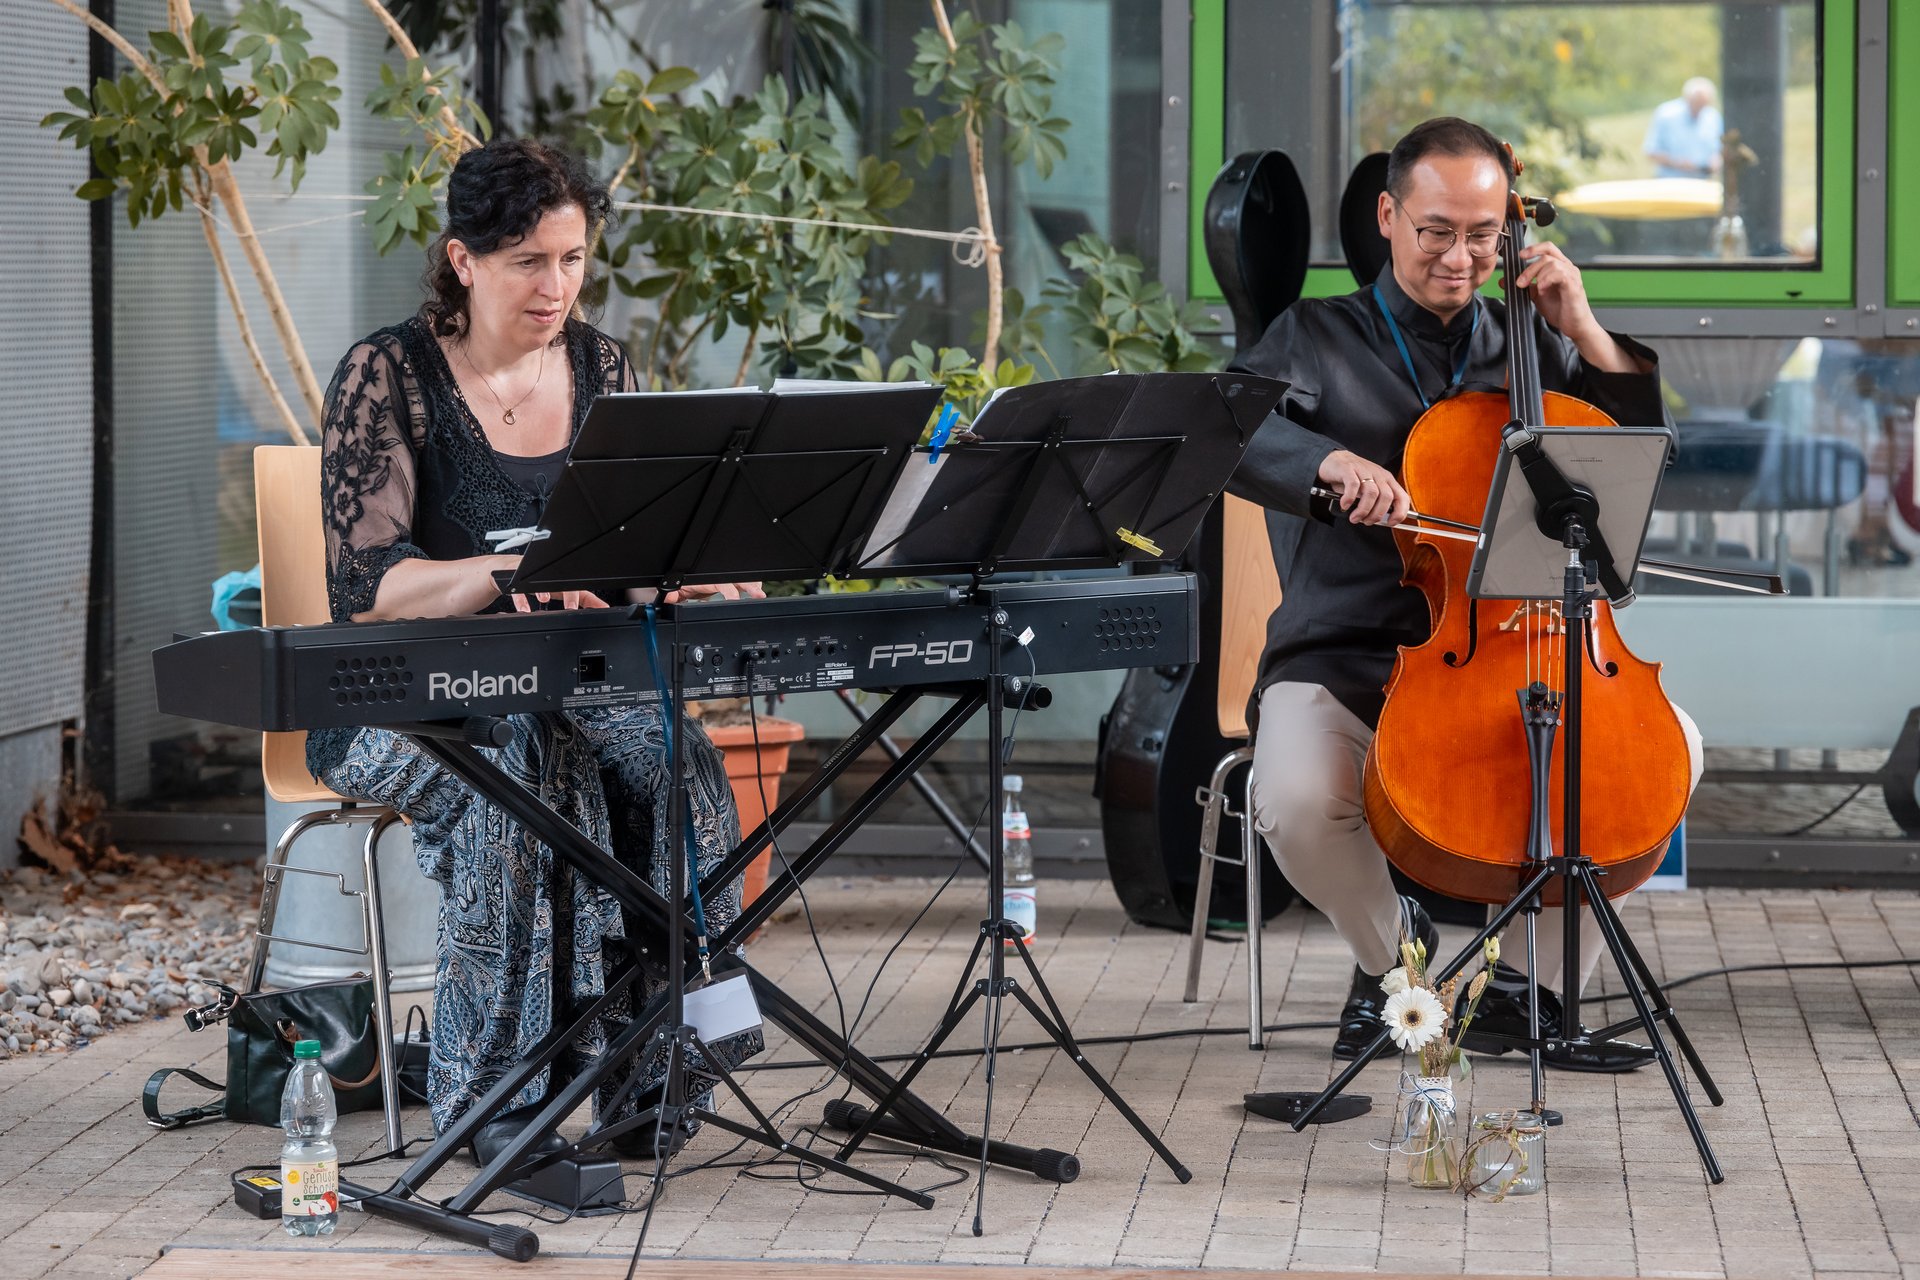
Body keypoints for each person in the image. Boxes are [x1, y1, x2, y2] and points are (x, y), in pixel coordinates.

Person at [307, 137, 761, 1163]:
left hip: (573, 683)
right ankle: (496, 1095)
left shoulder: (605, 369)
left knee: (674, 758)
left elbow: (629, 555)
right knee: (527, 772)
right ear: (463, 259)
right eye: (527, 262)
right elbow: (368, 590)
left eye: (572, 257)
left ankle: (653, 1076)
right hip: (395, 696)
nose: (556, 285)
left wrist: (688, 564)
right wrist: (501, 572)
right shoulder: (389, 375)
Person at [1226, 117, 1703, 1073]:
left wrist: (1584, 329)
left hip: (1524, 651)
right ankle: (1395, 962)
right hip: (1347, 651)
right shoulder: (1314, 336)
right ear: (1390, 217)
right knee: (1292, 797)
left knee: (1670, 752)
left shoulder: (1530, 342)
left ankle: (1518, 989)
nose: (1463, 257)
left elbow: (1631, 462)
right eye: (1438, 231)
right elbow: (1232, 432)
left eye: (1486, 235)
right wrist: (1323, 458)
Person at [1644, 77, 1725, 180]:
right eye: (1696, 104)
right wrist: (1678, 163)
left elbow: (1720, 149)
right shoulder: (1666, 114)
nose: (1699, 110)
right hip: (1670, 182)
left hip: (1703, 182)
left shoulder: (1713, 116)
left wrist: (1717, 160)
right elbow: (1651, 151)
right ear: (1687, 98)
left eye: (1703, 105)